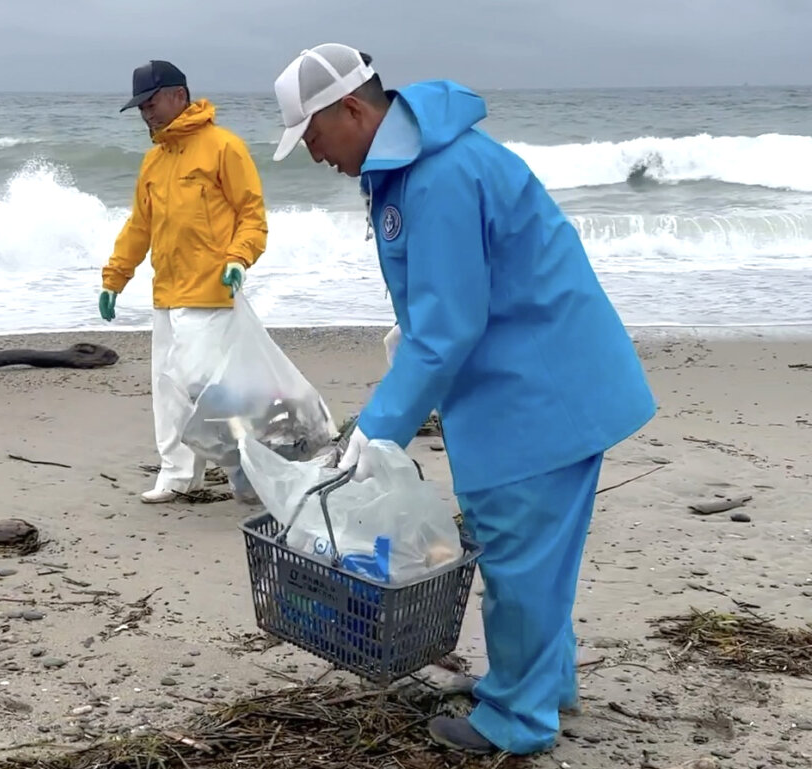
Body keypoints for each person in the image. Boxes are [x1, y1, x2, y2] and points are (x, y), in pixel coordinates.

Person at [271, 44, 657, 756]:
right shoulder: (421, 160)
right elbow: (450, 301)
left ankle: (516, 717)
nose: (313, 154)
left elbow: (450, 327)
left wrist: (379, 428)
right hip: (546, 375)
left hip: (538, 393)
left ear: (352, 109)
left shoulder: (439, 174)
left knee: (515, 554)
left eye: (314, 135)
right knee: (540, 557)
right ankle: (546, 681)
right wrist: (413, 333)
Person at [101, 59, 268, 504]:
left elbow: (252, 215)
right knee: (168, 388)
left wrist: (239, 258)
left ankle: (244, 465)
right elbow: (140, 226)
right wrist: (114, 278)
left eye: (151, 102)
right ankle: (177, 474)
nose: (146, 113)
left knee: (200, 383)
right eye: (139, 106)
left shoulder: (223, 147)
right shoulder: (154, 161)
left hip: (211, 290)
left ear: (178, 94)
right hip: (167, 293)